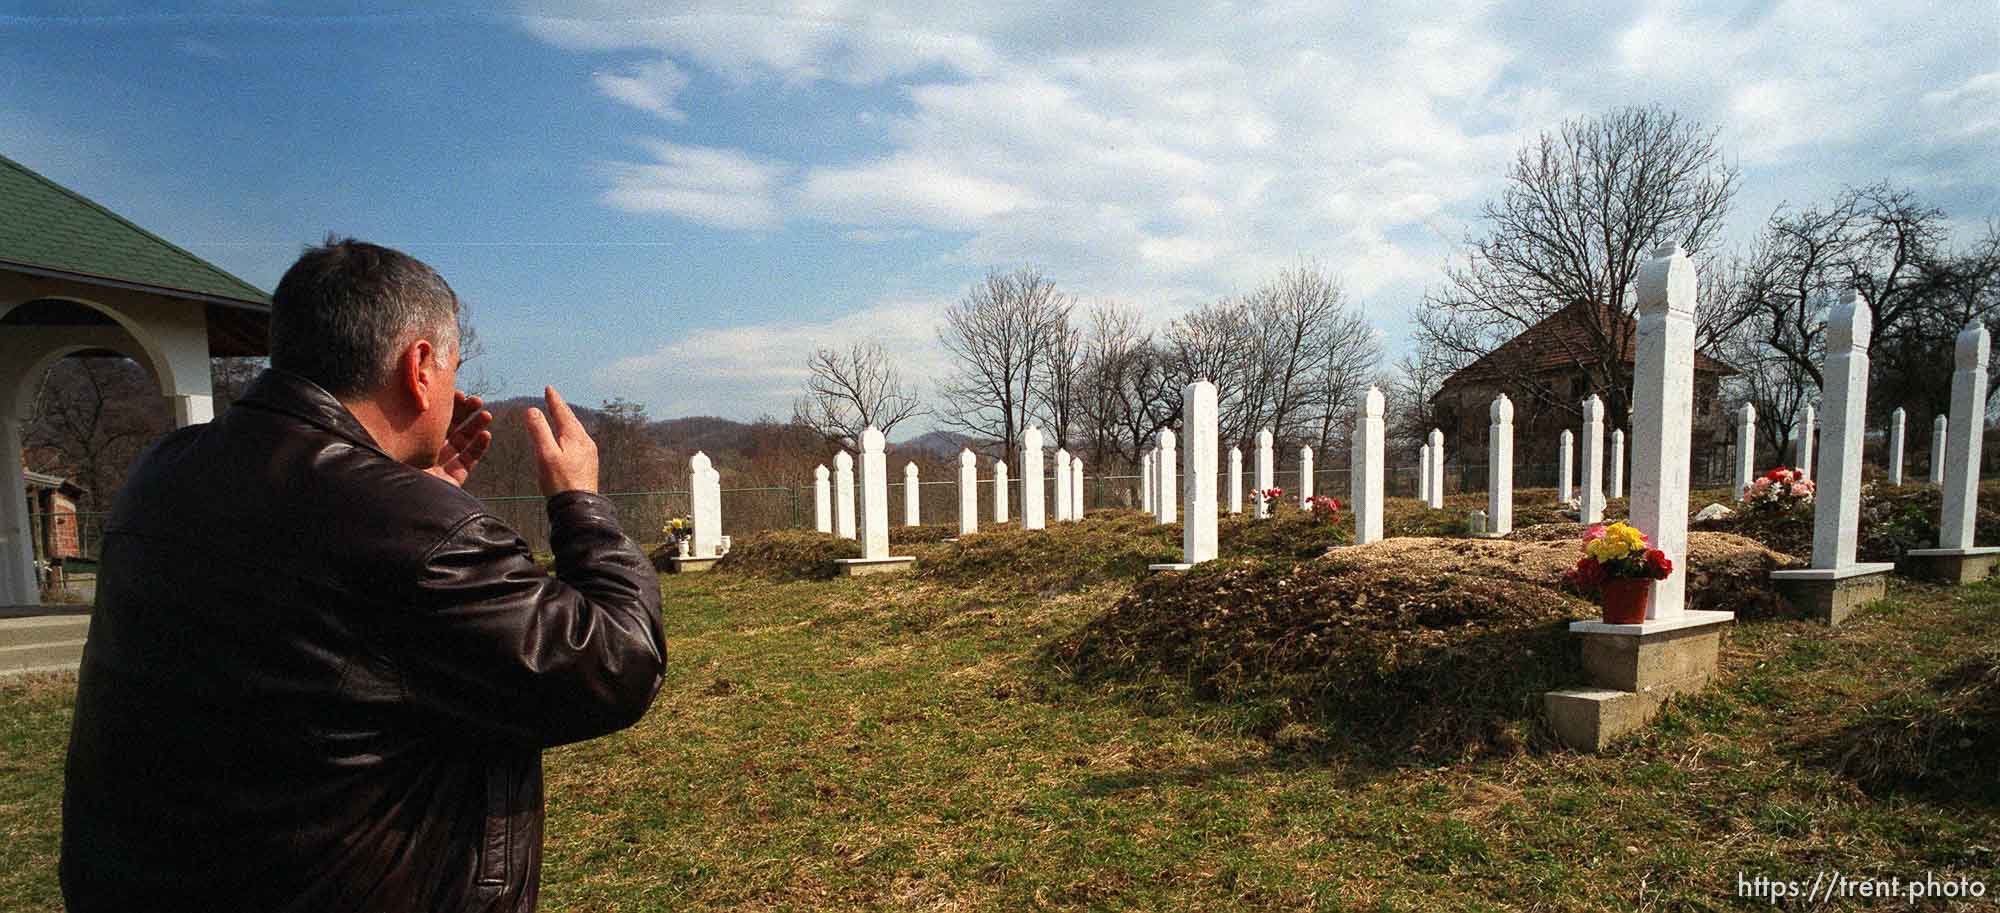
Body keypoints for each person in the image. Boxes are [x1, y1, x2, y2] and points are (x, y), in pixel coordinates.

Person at [59, 237, 667, 912]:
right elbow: (616, 662)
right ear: (420, 367)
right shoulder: (413, 529)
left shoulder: (161, 472)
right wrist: (580, 503)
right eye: (455, 363)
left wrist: (406, 492)